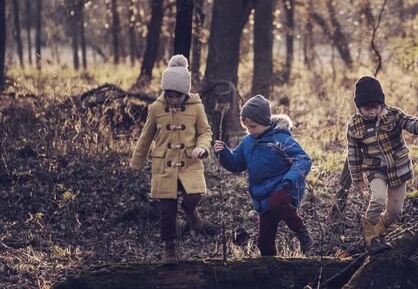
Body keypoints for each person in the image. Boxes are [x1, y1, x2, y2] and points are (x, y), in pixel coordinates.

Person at [130, 54, 213, 264]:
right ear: (164, 92)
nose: (174, 100)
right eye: (169, 95)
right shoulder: (156, 108)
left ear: (186, 93)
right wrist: (137, 162)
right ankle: (169, 248)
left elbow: (205, 132)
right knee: (167, 211)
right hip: (164, 165)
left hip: (190, 162)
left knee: (193, 197)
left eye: (178, 96)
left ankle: (192, 212)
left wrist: (202, 147)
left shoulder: (196, 107)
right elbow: (145, 136)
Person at [213, 95, 315, 256]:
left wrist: (289, 181)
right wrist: (223, 153)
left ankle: (301, 231)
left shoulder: (280, 138)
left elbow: (303, 159)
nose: (250, 131)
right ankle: (271, 268)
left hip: (284, 188)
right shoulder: (247, 142)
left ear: (265, 123)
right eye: (247, 127)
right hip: (262, 196)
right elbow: (236, 164)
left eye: (253, 126)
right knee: (264, 241)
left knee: (277, 202)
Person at [346, 76, 418, 253]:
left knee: (394, 212)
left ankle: (379, 232)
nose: (372, 112)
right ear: (359, 107)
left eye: (376, 108)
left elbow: (410, 122)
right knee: (378, 199)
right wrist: (357, 178)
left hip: (398, 169)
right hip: (375, 170)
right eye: (367, 108)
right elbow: (354, 154)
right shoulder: (354, 125)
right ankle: (370, 236)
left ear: (382, 104)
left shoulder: (393, 115)